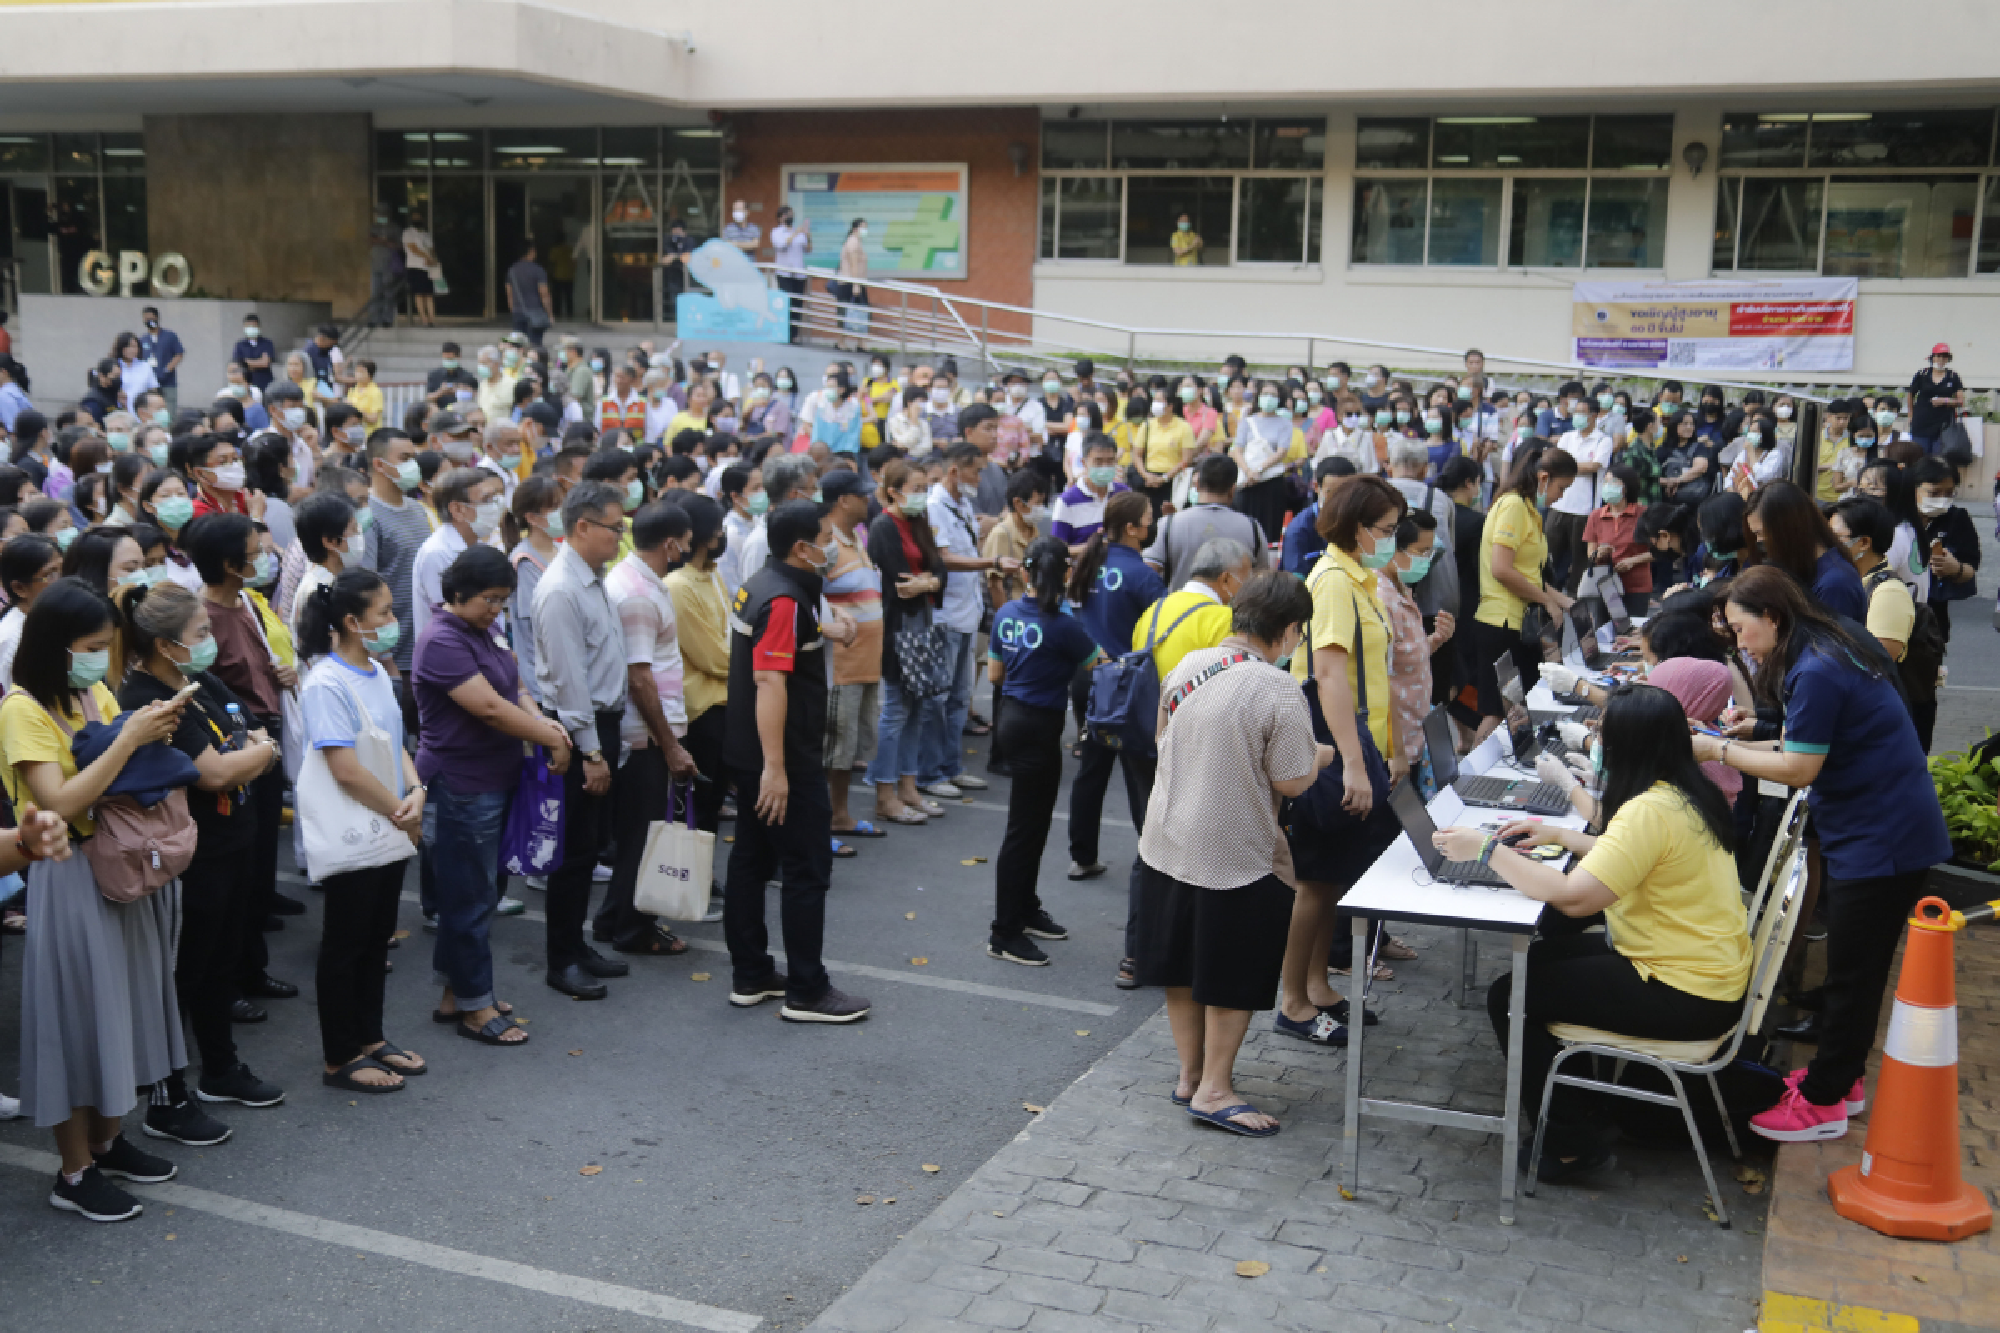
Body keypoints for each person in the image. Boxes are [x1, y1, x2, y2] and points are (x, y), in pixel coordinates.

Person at [1435, 684, 1750, 1179]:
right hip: (1699, 974)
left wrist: (1485, 851)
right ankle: (1583, 1106)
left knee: (1511, 995)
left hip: (1684, 991)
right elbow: (1622, 858)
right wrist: (1560, 835)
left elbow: (1574, 896)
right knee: (1541, 960)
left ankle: (1570, 1146)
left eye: (1604, 736)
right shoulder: (1683, 793)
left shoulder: (1649, 810)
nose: (1595, 744)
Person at [1693, 567, 1951, 1142]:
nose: (1738, 643)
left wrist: (1718, 750)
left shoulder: (1816, 668)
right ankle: (1841, 1078)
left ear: (1772, 617)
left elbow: (1801, 767)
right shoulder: (1824, 648)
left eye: (1740, 629)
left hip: (1884, 837)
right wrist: (1748, 735)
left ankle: (1825, 1101)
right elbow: (1808, 742)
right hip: (1876, 828)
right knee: (1851, 969)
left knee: (1855, 973)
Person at [6, 577, 190, 1220]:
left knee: (125, 1009)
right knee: (77, 1022)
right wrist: (130, 740)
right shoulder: (21, 708)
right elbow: (58, 801)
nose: (99, 657)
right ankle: (74, 1170)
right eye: (90, 646)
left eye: (105, 645)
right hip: (69, 872)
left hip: (120, 865)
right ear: (54, 646)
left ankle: (108, 1141)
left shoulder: (95, 690)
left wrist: (153, 735)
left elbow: (122, 772)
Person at [1137, 571, 1328, 1137]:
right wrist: (1323, 756)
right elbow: (1292, 779)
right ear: (1290, 630)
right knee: (1229, 971)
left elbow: (1163, 738)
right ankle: (1217, 1091)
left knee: (1181, 966)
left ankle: (1190, 1076)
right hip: (1235, 851)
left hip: (1166, 839)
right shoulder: (1276, 687)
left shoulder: (1188, 665)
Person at [116, 580, 285, 1134]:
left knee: (219, 964)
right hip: (193, 854)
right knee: (182, 974)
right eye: (201, 632)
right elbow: (212, 770)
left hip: (232, 839)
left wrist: (249, 752)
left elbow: (248, 729)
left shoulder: (195, 679)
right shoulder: (148, 698)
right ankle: (168, 1097)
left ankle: (220, 1068)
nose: (211, 640)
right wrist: (254, 754)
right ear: (165, 645)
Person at [721, 499, 871, 1023]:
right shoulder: (784, 598)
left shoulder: (763, 582)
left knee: (752, 859)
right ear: (802, 547)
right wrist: (776, 769)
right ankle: (808, 990)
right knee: (806, 868)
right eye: (826, 536)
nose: (833, 544)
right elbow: (769, 680)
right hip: (782, 755)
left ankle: (752, 972)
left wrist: (820, 629)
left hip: (748, 748)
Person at [413, 544, 570, 1041]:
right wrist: (547, 735)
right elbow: (488, 708)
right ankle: (476, 1008)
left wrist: (541, 719)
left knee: (482, 891)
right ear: (458, 593)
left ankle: (457, 995)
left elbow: (514, 688)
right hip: (460, 783)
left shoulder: (487, 629)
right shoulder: (441, 639)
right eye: (489, 599)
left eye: (502, 599)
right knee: (469, 897)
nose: (497, 609)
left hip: (495, 777)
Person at [1273, 476, 1406, 1046]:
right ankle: (1293, 1001)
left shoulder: (1360, 579)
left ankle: (1319, 987)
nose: (1392, 541)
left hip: (1357, 738)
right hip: (1333, 739)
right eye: (1386, 530)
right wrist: (1350, 762)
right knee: (1314, 879)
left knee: (1331, 879)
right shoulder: (1331, 581)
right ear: (1357, 529)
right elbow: (1328, 674)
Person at [292, 571, 426, 1093]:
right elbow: (344, 768)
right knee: (346, 943)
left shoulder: (373, 669)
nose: (392, 623)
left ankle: (371, 1037)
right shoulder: (326, 682)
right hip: (363, 825)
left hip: (391, 820)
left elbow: (394, 746)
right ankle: (340, 1055)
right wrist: (402, 808)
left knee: (375, 939)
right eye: (385, 613)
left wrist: (416, 791)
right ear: (352, 621)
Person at [532, 481, 630, 1000]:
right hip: (577, 732)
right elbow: (570, 682)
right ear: (582, 527)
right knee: (573, 852)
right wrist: (590, 751)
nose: (620, 536)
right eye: (614, 527)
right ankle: (561, 959)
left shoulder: (593, 577)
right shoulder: (561, 589)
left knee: (591, 845)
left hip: (602, 726)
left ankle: (578, 944)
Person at [985, 538, 1103, 966]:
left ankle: (1026, 907)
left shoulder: (1007, 613)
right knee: (1024, 829)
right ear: (1067, 575)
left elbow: (995, 672)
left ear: (1024, 573)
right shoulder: (1064, 625)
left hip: (1012, 717)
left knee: (1032, 825)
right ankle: (1004, 931)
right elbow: (1098, 664)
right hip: (1039, 724)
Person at [594, 499, 700, 953]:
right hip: (643, 735)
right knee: (643, 834)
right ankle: (631, 929)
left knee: (639, 832)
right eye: (688, 543)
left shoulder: (638, 580)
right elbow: (639, 677)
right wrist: (670, 744)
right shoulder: (636, 592)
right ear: (672, 544)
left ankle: (615, 919)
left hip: (646, 731)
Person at [1067, 491, 1166, 904]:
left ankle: (1082, 855)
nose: (1152, 522)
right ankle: (1154, 857)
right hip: (1129, 686)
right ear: (1132, 528)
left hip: (1088, 679)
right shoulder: (1144, 576)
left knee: (1091, 769)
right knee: (1141, 773)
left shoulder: (1090, 563)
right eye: (1148, 517)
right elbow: (1162, 633)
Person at [921, 444, 1013, 799]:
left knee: (960, 697)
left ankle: (952, 768)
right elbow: (946, 559)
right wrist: (992, 563)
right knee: (938, 698)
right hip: (945, 617)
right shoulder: (934, 507)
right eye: (976, 471)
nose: (980, 478)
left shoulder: (960, 503)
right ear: (956, 471)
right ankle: (930, 773)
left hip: (966, 613)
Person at [1471, 447, 1576, 741]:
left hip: (1519, 623)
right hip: (1501, 623)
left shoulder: (1529, 511)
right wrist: (1546, 601)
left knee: (1516, 712)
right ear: (1543, 477)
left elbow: (1528, 574)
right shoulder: (1514, 506)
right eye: (1561, 487)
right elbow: (1502, 570)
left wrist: (1563, 601)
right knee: (1498, 714)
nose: (1561, 495)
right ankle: (1472, 783)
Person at [865, 460, 949, 825]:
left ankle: (909, 787)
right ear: (894, 491)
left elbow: (939, 569)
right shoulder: (884, 526)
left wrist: (928, 582)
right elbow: (898, 582)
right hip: (897, 624)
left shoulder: (918, 522)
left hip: (922, 622)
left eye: (924, 486)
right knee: (897, 708)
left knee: (919, 706)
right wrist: (927, 581)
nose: (922, 494)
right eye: (916, 487)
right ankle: (885, 791)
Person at [1378, 507, 1454, 786]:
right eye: (1421, 552)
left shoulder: (1402, 587)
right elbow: (1381, 678)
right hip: (1399, 742)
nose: (1426, 560)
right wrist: (1396, 751)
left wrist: (1433, 641)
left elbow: (1403, 657)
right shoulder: (1382, 599)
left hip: (1417, 732)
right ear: (1394, 549)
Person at [1744, 480, 1867, 622]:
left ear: (1787, 528)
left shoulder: (1835, 584)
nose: (1759, 541)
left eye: (1761, 533)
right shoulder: (1805, 569)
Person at [1144, 455, 1266, 591]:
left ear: (1197, 484)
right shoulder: (1252, 527)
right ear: (1232, 489)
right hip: (1234, 611)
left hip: (1183, 610)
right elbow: (1263, 579)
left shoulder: (1169, 524)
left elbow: (1149, 573)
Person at [411, 467, 503, 645]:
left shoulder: (479, 543)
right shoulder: (437, 553)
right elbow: (453, 618)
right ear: (458, 509)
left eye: (494, 498)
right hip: (452, 651)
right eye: (486, 500)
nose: (494, 506)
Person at [1912, 455, 1980, 640]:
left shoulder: (1957, 519)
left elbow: (1970, 568)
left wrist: (1955, 569)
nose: (1942, 500)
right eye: (1934, 493)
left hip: (1932, 618)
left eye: (1949, 493)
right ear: (1913, 488)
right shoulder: (1897, 519)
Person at [1580, 464, 1653, 615]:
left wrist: (1633, 561)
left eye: (1613, 482)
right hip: (1606, 585)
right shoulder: (1596, 515)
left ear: (1626, 487)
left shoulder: (1644, 514)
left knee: (1631, 632)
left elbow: (1658, 551)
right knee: (1606, 632)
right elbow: (1590, 553)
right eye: (1605, 482)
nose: (1607, 486)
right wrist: (1599, 554)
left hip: (1636, 586)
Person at [0, 534, 61, 688]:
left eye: (63, 571)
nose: (63, 581)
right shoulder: (13, 639)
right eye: (50, 575)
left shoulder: (48, 618)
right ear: (19, 588)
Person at [1128, 389, 1196, 518]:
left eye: (1159, 401)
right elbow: (1137, 454)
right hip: (1147, 480)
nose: (1155, 404)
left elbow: (1186, 459)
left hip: (1172, 481)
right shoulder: (1147, 425)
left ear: (1170, 406)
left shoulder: (1184, 427)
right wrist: (1146, 475)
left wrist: (1164, 478)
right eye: (1155, 400)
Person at [1050, 434, 1127, 547]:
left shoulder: (1124, 494)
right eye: (1098, 462)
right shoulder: (1067, 501)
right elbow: (1058, 550)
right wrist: (1094, 547)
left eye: (1110, 461)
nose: (1105, 467)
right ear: (1084, 463)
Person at [1906, 343, 1965, 454]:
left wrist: (1945, 401)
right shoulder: (1922, 374)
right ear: (1932, 357)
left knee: (1938, 460)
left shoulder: (1953, 376)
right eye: (1938, 356)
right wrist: (1910, 415)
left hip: (1943, 426)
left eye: (1944, 356)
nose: (1941, 359)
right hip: (1921, 424)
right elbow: (1910, 394)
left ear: (1948, 359)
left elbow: (1960, 401)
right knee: (1919, 457)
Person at [770, 206, 810, 344]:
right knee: (786, 303)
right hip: (784, 274)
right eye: (787, 215)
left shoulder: (798, 232)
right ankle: (784, 333)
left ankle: (794, 335)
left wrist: (808, 236)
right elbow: (781, 245)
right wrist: (794, 234)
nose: (790, 217)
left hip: (799, 274)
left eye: (791, 214)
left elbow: (808, 250)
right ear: (781, 217)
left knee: (797, 304)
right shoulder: (776, 232)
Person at [505, 242, 553, 346]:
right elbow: (544, 294)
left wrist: (514, 311)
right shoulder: (538, 270)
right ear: (531, 251)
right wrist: (550, 314)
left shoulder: (512, 270)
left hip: (517, 313)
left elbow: (509, 295)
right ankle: (535, 361)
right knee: (535, 344)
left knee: (518, 345)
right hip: (535, 313)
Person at [138, 307, 184, 415]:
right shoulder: (142, 339)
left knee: (169, 413)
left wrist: (168, 368)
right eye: (146, 319)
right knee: (151, 412)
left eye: (151, 318)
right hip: (149, 384)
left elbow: (179, 354)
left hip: (168, 382)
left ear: (157, 318)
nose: (149, 321)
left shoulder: (170, 336)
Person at [401, 217, 441, 328]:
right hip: (415, 267)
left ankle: (432, 319)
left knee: (428, 294)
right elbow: (413, 248)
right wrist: (427, 256)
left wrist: (432, 258)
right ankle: (424, 318)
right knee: (419, 293)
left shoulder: (426, 234)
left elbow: (431, 248)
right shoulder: (408, 232)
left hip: (428, 267)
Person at [835, 218, 870, 346]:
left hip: (857, 282)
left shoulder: (857, 242)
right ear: (855, 229)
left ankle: (861, 343)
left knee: (860, 313)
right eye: (863, 227)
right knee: (846, 313)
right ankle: (841, 342)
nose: (865, 230)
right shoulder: (853, 242)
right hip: (850, 283)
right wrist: (856, 285)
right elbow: (854, 265)